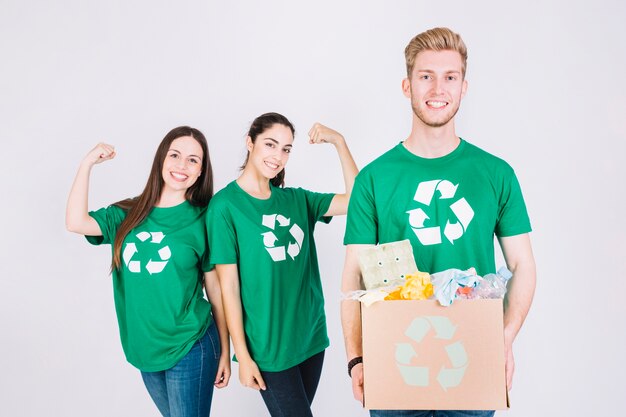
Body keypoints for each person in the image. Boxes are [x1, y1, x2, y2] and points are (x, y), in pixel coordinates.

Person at [340, 27, 536, 417]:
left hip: (472, 356)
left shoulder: (496, 173)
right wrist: (356, 358)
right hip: (397, 357)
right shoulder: (374, 179)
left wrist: (504, 337)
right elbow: (353, 275)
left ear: (464, 87)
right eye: (425, 76)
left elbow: (523, 265)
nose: (437, 88)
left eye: (450, 77)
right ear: (406, 85)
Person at [65, 126, 230, 417]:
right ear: (161, 160)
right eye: (175, 155)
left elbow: (215, 289)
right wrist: (86, 163)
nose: (182, 165)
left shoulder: (204, 219)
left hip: (191, 343)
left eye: (193, 160)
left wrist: (226, 351)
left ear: (202, 171)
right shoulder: (128, 213)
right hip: (145, 348)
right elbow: (76, 222)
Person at [206, 112, 358, 417]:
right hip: (269, 346)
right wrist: (243, 355)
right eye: (270, 144)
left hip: (310, 337)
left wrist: (339, 143)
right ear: (250, 142)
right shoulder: (225, 207)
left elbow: (359, 200)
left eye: (286, 149)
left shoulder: (297, 200)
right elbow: (228, 288)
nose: (278, 156)